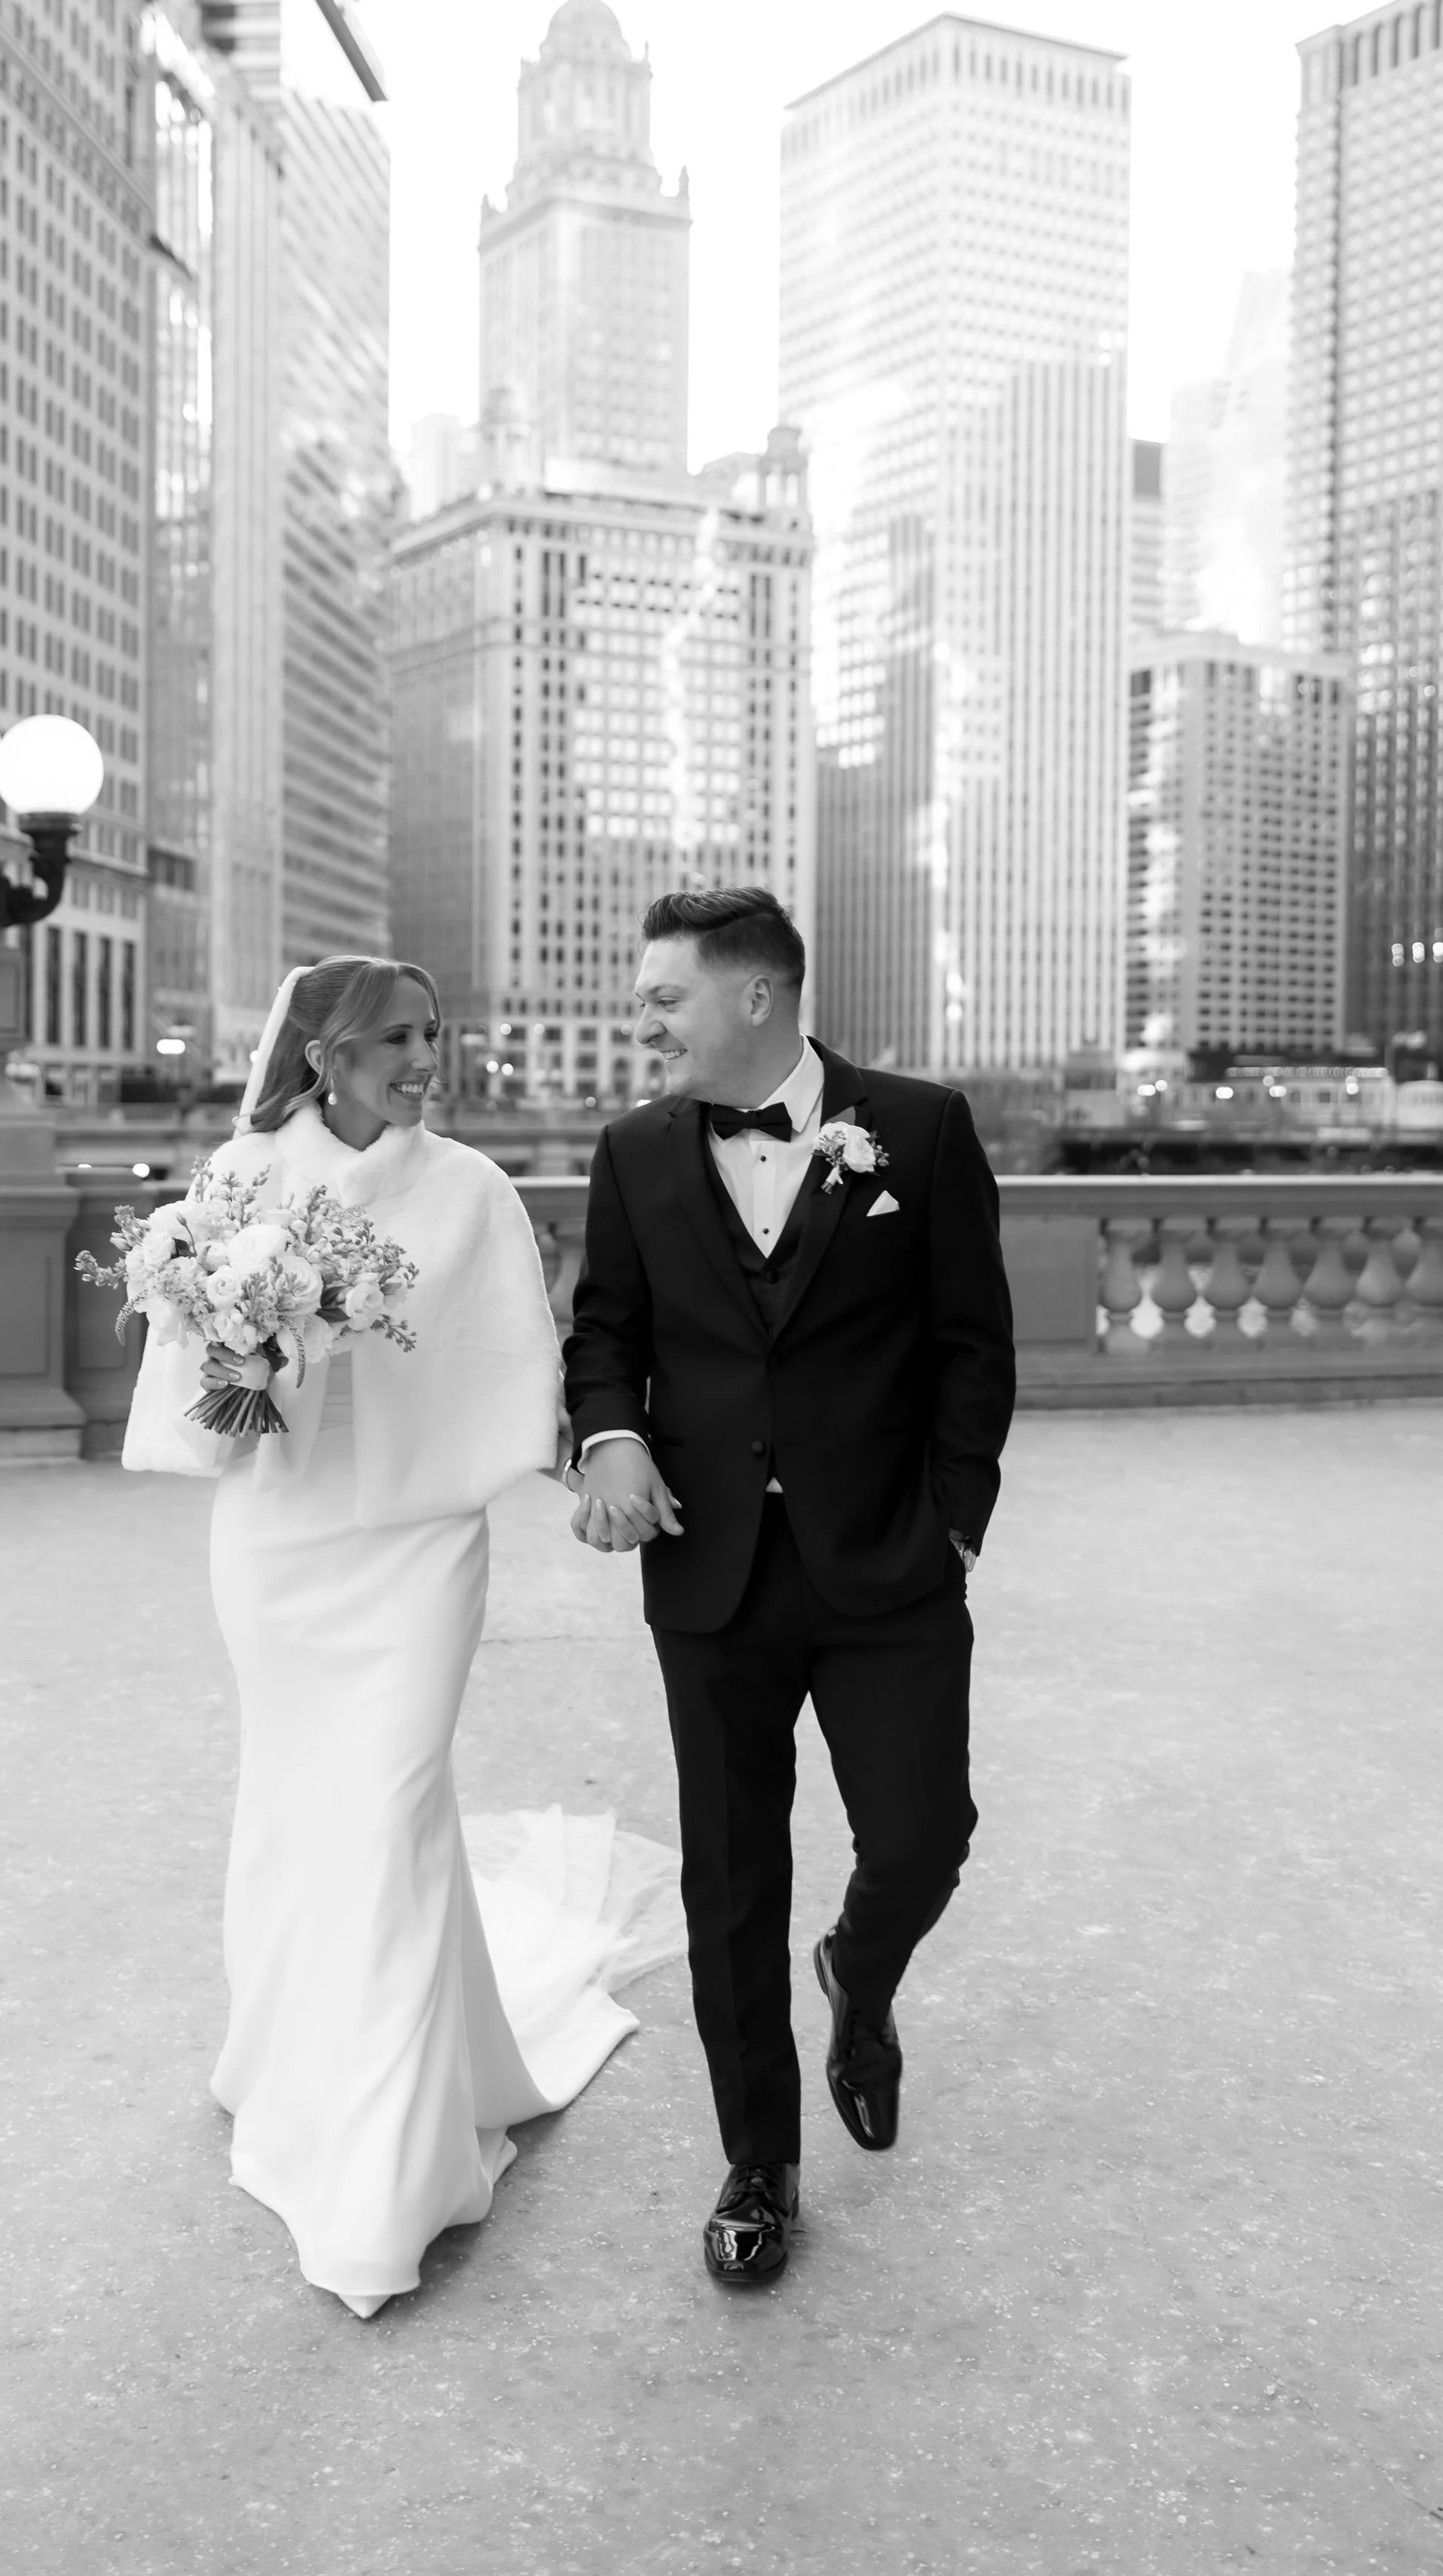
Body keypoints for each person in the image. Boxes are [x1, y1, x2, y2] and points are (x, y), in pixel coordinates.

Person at [122, 956, 679, 2318]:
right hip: (279, 1539)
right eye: (395, 1039)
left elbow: (514, 1362)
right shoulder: (240, 1175)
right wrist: (252, 1348)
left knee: (389, 1806)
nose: (427, 1059)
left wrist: (595, 1465)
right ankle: (285, 2055)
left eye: (433, 1034)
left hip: (420, 1546)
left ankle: (385, 2170)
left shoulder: (473, 1190)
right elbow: (193, 1377)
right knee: (294, 1799)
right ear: (323, 1053)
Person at [563, 889, 1015, 2287]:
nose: (643, 1018)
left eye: (665, 995)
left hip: (889, 1560)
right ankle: (759, 2163)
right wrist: (611, 1436)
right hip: (711, 1572)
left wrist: (955, 1525)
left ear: (755, 995)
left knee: (926, 1834)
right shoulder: (633, 1151)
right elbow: (604, 1334)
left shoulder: (920, 1129)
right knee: (731, 1879)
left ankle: (858, 1977)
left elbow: (973, 1343)